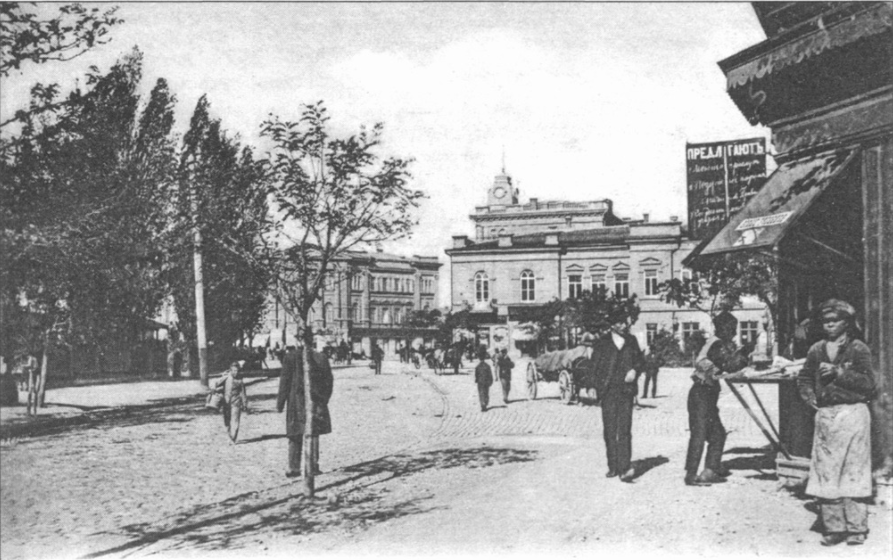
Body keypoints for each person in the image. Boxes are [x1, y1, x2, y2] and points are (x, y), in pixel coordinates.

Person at [797, 299, 876, 546]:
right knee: (827, 471)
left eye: (835, 321)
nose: (829, 325)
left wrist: (839, 372)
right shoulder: (817, 349)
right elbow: (804, 376)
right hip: (827, 416)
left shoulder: (858, 349)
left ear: (846, 323)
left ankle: (856, 528)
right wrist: (808, 395)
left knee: (854, 470)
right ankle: (834, 527)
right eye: (825, 322)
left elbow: (869, 384)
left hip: (853, 415)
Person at [684, 311, 748, 487]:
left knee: (718, 434)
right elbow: (729, 365)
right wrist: (745, 353)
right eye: (732, 329)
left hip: (705, 393)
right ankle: (691, 475)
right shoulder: (717, 344)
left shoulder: (714, 343)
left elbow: (722, 366)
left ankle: (711, 469)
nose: (734, 333)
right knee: (699, 434)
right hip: (701, 394)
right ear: (723, 329)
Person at [592, 314, 645, 483]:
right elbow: (594, 365)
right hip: (608, 391)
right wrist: (593, 386)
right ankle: (612, 466)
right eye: (620, 322)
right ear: (612, 325)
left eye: (625, 322)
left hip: (626, 391)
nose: (624, 325)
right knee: (609, 429)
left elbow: (640, 361)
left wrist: (634, 370)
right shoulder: (602, 342)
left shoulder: (631, 341)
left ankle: (624, 468)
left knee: (624, 429)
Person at [277, 345, 334, 478]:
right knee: (314, 433)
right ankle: (313, 466)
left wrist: (280, 403)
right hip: (316, 402)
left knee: (295, 434)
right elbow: (329, 381)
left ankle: (294, 467)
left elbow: (285, 381)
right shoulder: (321, 357)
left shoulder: (290, 357)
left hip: (296, 403)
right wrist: (323, 400)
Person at [214, 361, 249, 442]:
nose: (235, 372)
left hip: (236, 402)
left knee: (235, 420)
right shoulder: (226, 378)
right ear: (230, 370)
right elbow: (216, 384)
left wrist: (244, 403)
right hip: (226, 402)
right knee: (226, 420)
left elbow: (243, 393)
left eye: (237, 371)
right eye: (234, 371)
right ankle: (229, 434)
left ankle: (234, 437)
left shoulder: (240, 381)